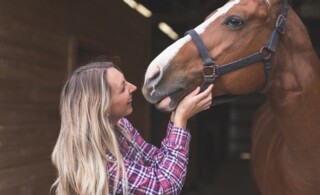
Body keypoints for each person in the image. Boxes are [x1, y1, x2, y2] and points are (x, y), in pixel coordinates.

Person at [51, 60, 213, 195]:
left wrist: (175, 116)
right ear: (102, 106)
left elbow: (156, 162)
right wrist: (180, 120)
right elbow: (166, 189)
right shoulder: (101, 164)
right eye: (122, 88)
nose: (133, 87)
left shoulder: (121, 126)